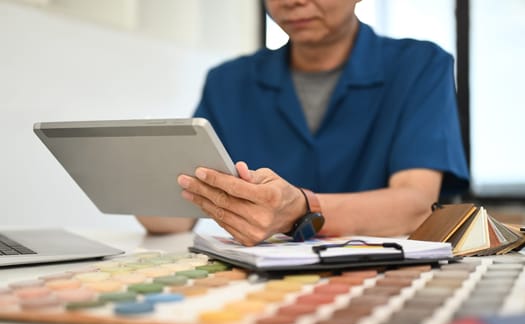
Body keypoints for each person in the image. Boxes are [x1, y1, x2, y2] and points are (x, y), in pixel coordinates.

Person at [137, 0, 469, 246]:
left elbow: (414, 205)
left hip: (379, 272)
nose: (293, 2)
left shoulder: (420, 66)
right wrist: (139, 187)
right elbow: (177, 213)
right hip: (254, 281)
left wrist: (303, 209)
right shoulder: (227, 82)